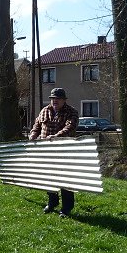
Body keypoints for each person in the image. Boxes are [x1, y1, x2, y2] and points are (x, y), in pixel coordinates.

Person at [29, 87, 79, 217]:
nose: (54, 101)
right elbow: (37, 126)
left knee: (66, 179)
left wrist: (57, 136)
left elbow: (70, 126)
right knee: (49, 177)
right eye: (52, 99)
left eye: (57, 99)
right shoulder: (45, 110)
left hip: (64, 151)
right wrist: (33, 135)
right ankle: (52, 203)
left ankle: (66, 208)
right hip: (47, 151)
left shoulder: (72, 112)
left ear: (63, 100)